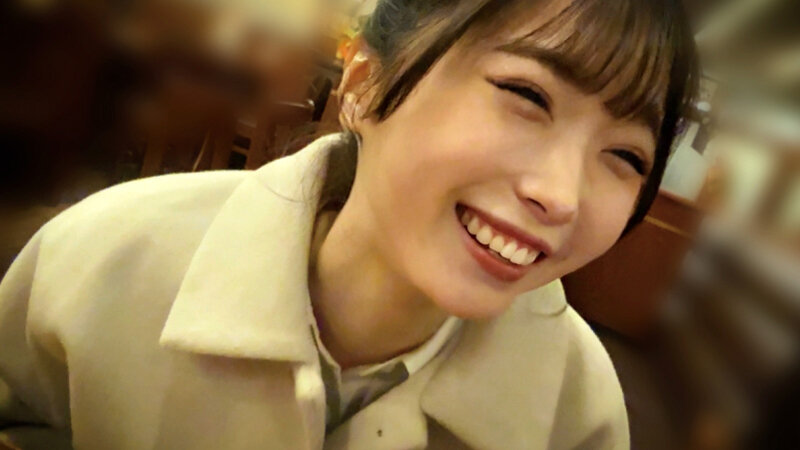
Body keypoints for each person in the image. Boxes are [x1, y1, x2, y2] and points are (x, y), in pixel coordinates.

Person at [0, 0, 697, 448]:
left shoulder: (578, 411)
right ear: (364, 83)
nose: (561, 197)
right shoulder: (108, 258)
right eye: (526, 94)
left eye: (626, 157)